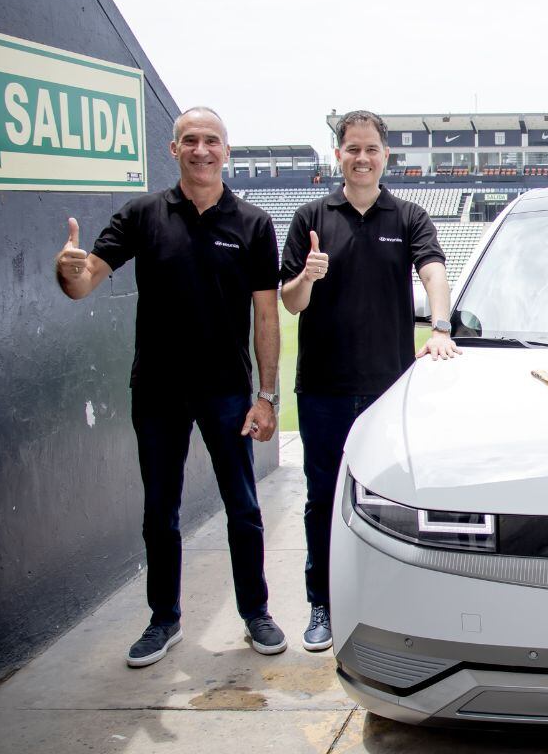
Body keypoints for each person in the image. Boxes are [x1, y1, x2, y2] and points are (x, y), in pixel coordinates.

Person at [55, 106, 287, 667]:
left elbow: (266, 316)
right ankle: (165, 619)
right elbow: (84, 284)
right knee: (161, 509)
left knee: (244, 507)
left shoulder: (253, 224)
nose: (201, 150)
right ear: (173, 149)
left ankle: (255, 611)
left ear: (226, 151)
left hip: (228, 391)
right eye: (190, 141)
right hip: (157, 391)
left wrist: (268, 395)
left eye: (212, 141)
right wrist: (68, 268)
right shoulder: (141, 214)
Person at [279, 110, 458, 652]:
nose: (361, 158)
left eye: (371, 149)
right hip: (324, 387)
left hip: (388, 388)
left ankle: (392, 602)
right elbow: (290, 302)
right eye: (351, 149)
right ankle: (322, 604)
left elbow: (433, 272)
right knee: (321, 498)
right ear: (339, 155)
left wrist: (442, 325)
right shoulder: (311, 215)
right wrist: (306, 277)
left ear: (385, 156)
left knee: (398, 499)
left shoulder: (408, 216)